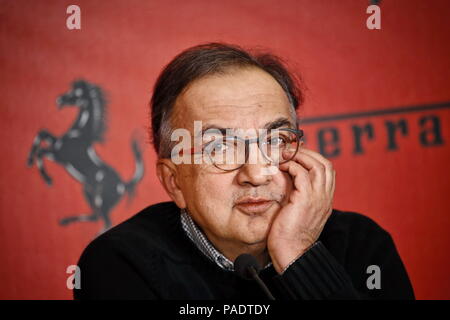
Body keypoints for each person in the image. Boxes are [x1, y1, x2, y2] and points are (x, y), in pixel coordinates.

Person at [74, 43, 414, 300]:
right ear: (174, 181)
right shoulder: (120, 262)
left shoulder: (361, 246)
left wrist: (300, 255)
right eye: (219, 147)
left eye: (276, 140)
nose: (256, 172)